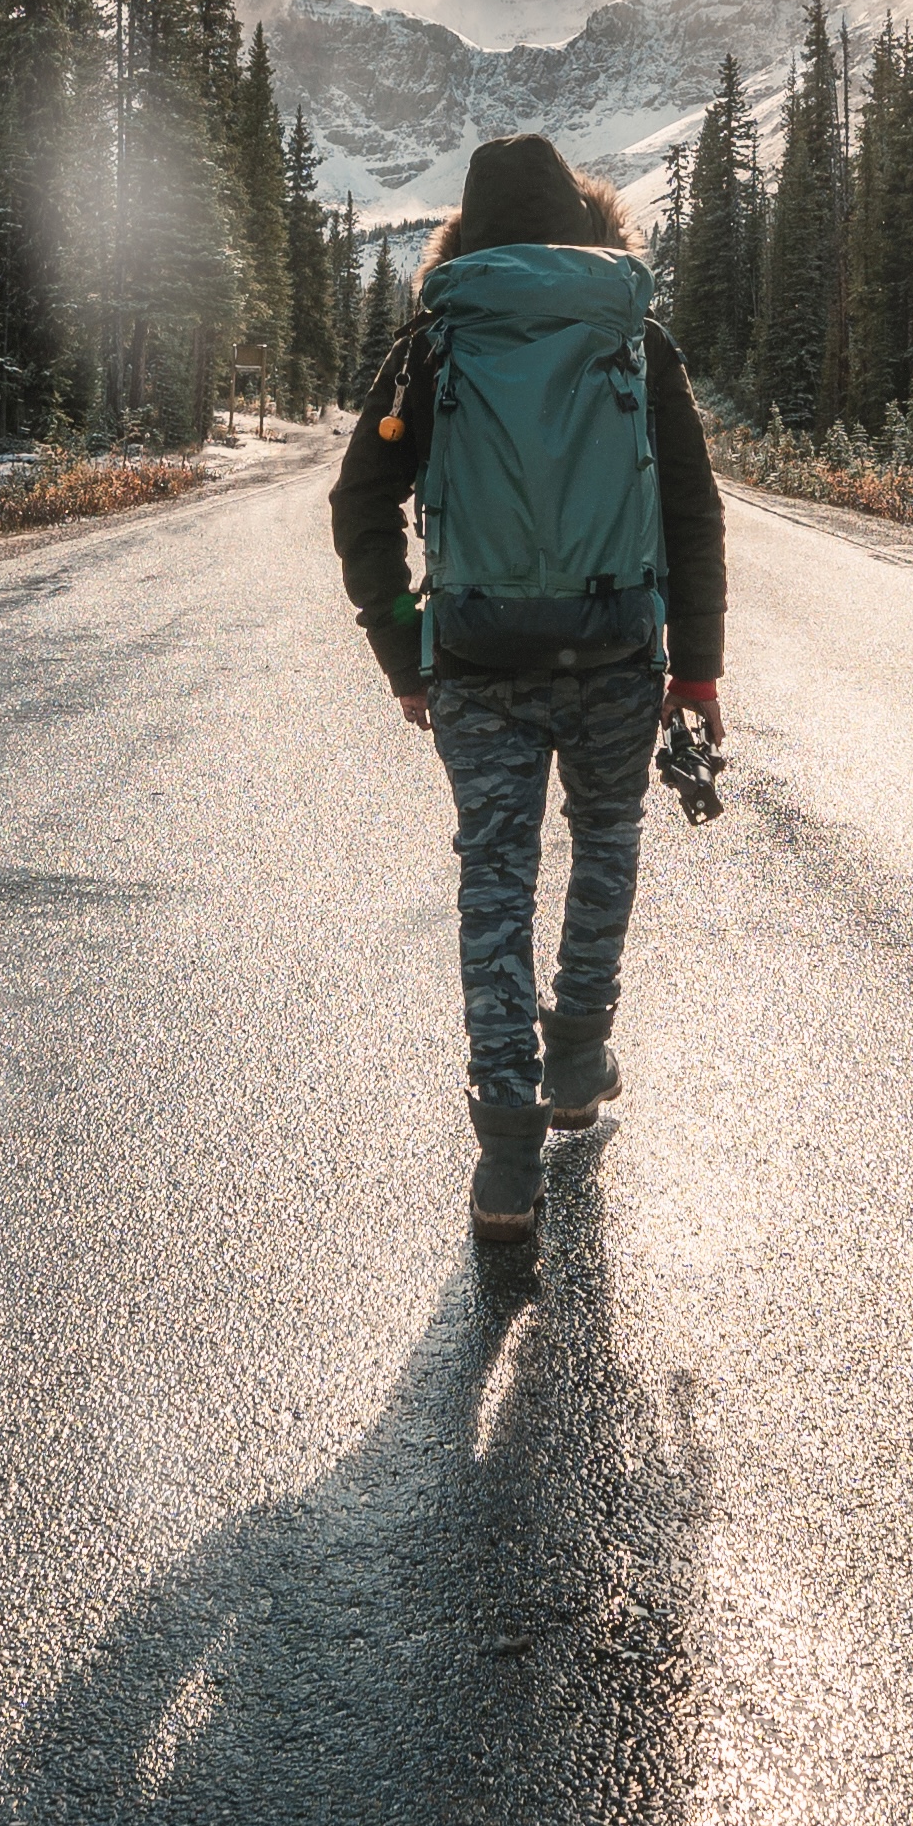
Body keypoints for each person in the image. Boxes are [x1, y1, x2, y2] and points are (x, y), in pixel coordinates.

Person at [331, 132, 727, 1246]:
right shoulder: (631, 334)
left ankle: (506, 1158)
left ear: (463, 236)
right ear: (589, 222)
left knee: (494, 881)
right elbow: (691, 510)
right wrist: (693, 666)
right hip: (614, 646)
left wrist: (403, 649)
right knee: (606, 838)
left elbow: (359, 506)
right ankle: (578, 1051)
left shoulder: (436, 338)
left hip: (477, 655)